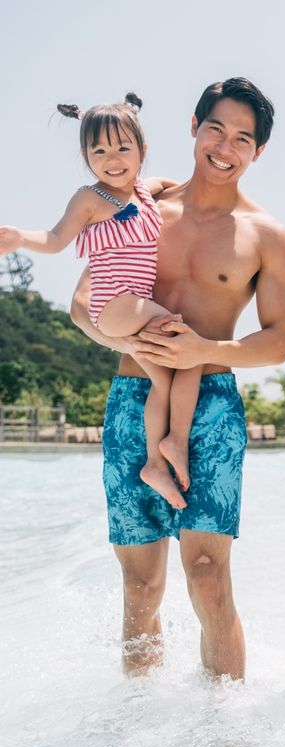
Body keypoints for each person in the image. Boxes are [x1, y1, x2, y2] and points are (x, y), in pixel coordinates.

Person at [70, 78, 285, 680]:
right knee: (141, 583)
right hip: (131, 397)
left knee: (207, 576)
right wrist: (128, 342)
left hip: (213, 405)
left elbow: (278, 341)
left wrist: (204, 348)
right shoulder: (142, 205)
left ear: (258, 152)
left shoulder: (267, 236)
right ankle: (144, 740)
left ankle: (223, 733)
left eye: (243, 139)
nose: (225, 146)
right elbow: (81, 303)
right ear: (194, 127)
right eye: (216, 129)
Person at [0, 94, 197, 509]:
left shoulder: (146, 191)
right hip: (116, 306)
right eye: (99, 150)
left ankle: (154, 464)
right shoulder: (90, 198)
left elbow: (184, 187)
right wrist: (21, 238)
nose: (113, 159)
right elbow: (55, 240)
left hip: (129, 306)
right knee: (189, 345)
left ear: (143, 151)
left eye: (124, 147)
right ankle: (175, 444)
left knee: (163, 379)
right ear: (86, 155)